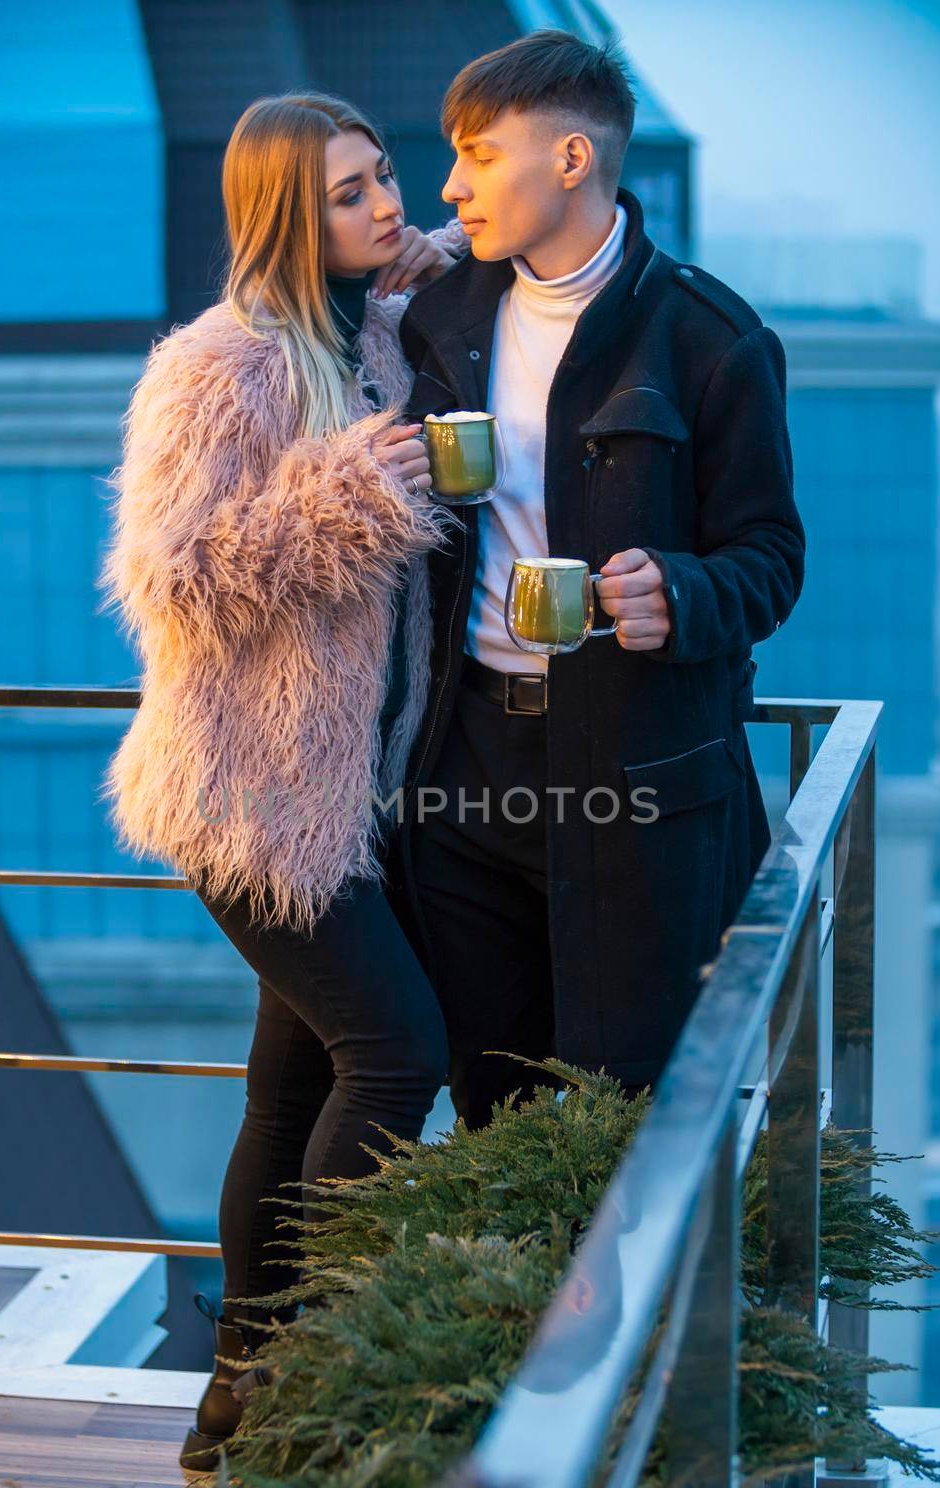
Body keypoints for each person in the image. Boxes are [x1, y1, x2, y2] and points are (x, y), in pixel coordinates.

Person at [97, 91, 465, 1471]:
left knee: (287, 1088)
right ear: (279, 213)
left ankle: (232, 1406)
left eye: (386, 182)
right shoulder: (220, 367)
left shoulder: (358, 330)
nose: (386, 206)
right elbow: (170, 582)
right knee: (396, 1050)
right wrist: (349, 494)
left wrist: (441, 248)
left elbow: (428, 257)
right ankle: (307, 1377)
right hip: (248, 796)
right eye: (352, 193)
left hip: (342, 796)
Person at [388, 30, 806, 1130]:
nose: (450, 185)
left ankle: (626, 1308)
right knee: (491, 1103)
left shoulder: (709, 339)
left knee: (626, 1111)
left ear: (569, 161)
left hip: (638, 780)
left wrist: (677, 592)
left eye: (477, 155)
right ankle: (508, 1308)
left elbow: (769, 558)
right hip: (463, 769)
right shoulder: (443, 317)